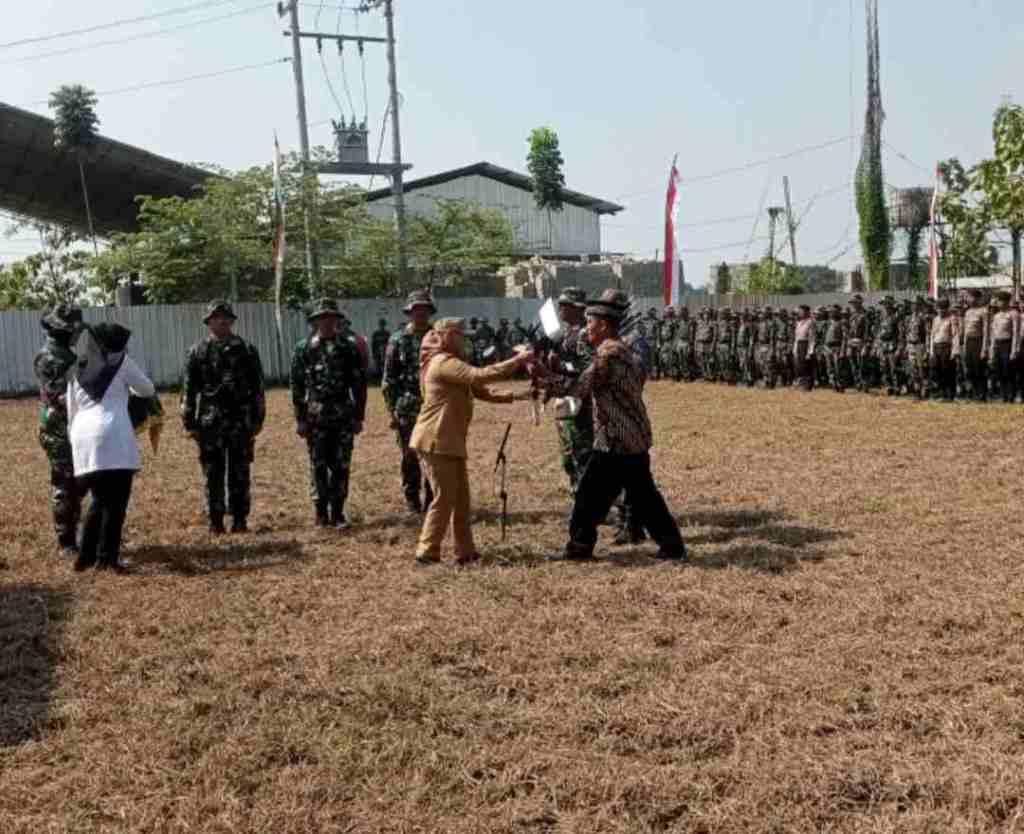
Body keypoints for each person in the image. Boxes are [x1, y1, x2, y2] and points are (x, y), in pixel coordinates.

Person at [541, 289, 688, 563]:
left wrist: (545, 375)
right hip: (628, 438)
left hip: (617, 442)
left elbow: (579, 388)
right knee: (642, 497)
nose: (586, 328)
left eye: (590, 323)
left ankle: (580, 547)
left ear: (604, 326)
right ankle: (672, 547)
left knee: (590, 497)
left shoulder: (609, 355)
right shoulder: (619, 350)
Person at [410, 319, 532, 565]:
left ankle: (465, 552)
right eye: (460, 335)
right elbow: (480, 375)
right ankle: (427, 551)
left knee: (461, 500)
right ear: (447, 336)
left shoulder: (451, 364)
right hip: (436, 440)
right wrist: (518, 361)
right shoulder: (443, 362)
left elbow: (482, 391)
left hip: (449, 441)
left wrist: (520, 395)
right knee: (444, 497)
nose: (465, 340)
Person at [67, 323, 155, 573]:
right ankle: (107, 559)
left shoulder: (76, 368)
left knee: (99, 499)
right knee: (116, 503)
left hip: (83, 435)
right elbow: (147, 389)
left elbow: (72, 409)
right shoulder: (122, 362)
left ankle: (85, 557)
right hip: (112, 435)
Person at [181, 301, 266, 534]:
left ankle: (239, 520)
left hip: (240, 421)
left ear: (232, 321)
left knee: (240, 472)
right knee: (212, 473)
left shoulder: (247, 350)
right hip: (210, 423)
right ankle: (216, 521)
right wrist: (189, 421)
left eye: (226, 317)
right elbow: (189, 389)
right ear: (208, 322)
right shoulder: (198, 351)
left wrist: (258, 419)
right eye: (216, 317)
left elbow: (257, 387)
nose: (221, 321)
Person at [291, 299, 367, 527]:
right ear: (314, 321)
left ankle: (338, 512)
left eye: (330, 317)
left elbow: (359, 384)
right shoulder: (304, 348)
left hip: (342, 414)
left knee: (341, 464)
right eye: (321, 317)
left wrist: (358, 416)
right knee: (318, 464)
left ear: (337, 320)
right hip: (315, 416)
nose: (326, 321)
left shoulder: (348, 348)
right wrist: (300, 419)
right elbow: (297, 386)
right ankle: (321, 512)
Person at [34, 304, 85, 554]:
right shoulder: (50, 357)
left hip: (72, 426)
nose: (78, 333)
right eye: (75, 329)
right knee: (65, 485)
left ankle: (75, 532)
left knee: (78, 483)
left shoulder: (65, 354)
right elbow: (58, 396)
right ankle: (67, 541)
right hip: (58, 430)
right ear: (63, 330)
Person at [383, 289, 436, 514]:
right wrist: (392, 412)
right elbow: (389, 379)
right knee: (409, 455)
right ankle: (412, 499)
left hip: (434, 407)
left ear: (430, 311)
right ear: (409, 312)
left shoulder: (438, 337)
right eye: (416, 309)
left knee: (433, 455)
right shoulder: (397, 340)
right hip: (406, 408)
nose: (420, 313)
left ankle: (432, 499)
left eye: (424, 309)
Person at [550, 288, 595, 495]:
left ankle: (587, 497)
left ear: (577, 308)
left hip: (580, 400)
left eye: (564, 305)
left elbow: (589, 368)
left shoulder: (584, 334)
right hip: (567, 396)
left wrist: (561, 366)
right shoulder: (568, 332)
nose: (560, 309)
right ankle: (577, 488)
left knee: (581, 449)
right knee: (568, 450)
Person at [929, 297, 960, 402]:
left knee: (948, 371)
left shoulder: (952, 318)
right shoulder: (935, 319)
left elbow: (955, 335)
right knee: (938, 371)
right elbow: (932, 335)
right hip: (936, 346)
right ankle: (941, 393)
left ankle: (950, 395)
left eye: (943, 308)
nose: (941, 310)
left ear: (947, 308)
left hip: (947, 347)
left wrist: (955, 351)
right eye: (939, 308)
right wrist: (931, 351)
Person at [792, 304, 816, 391]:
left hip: (806, 344)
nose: (799, 313)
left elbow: (812, 338)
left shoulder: (810, 322)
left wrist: (810, 351)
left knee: (807, 365)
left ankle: (808, 385)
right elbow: (796, 337)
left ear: (806, 312)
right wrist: (795, 349)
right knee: (799, 365)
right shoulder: (798, 323)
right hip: (799, 344)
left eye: (801, 311)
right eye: (799, 311)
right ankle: (801, 383)